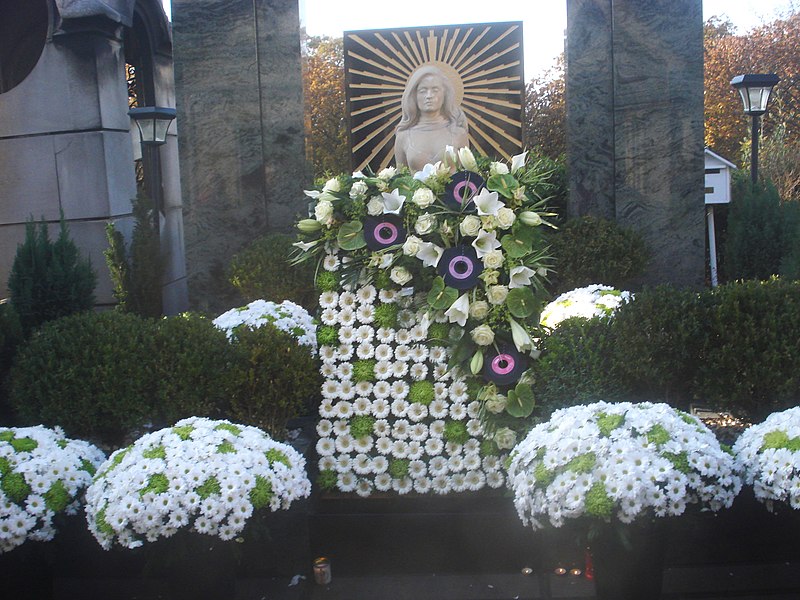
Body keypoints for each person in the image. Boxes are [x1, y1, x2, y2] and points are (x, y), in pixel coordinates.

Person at [394, 65, 469, 172]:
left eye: (435, 90)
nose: (429, 96)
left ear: (444, 94)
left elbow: (468, 177)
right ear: (414, 96)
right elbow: (400, 180)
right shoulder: (403, 137)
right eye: (423, 91)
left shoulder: (458, 133)